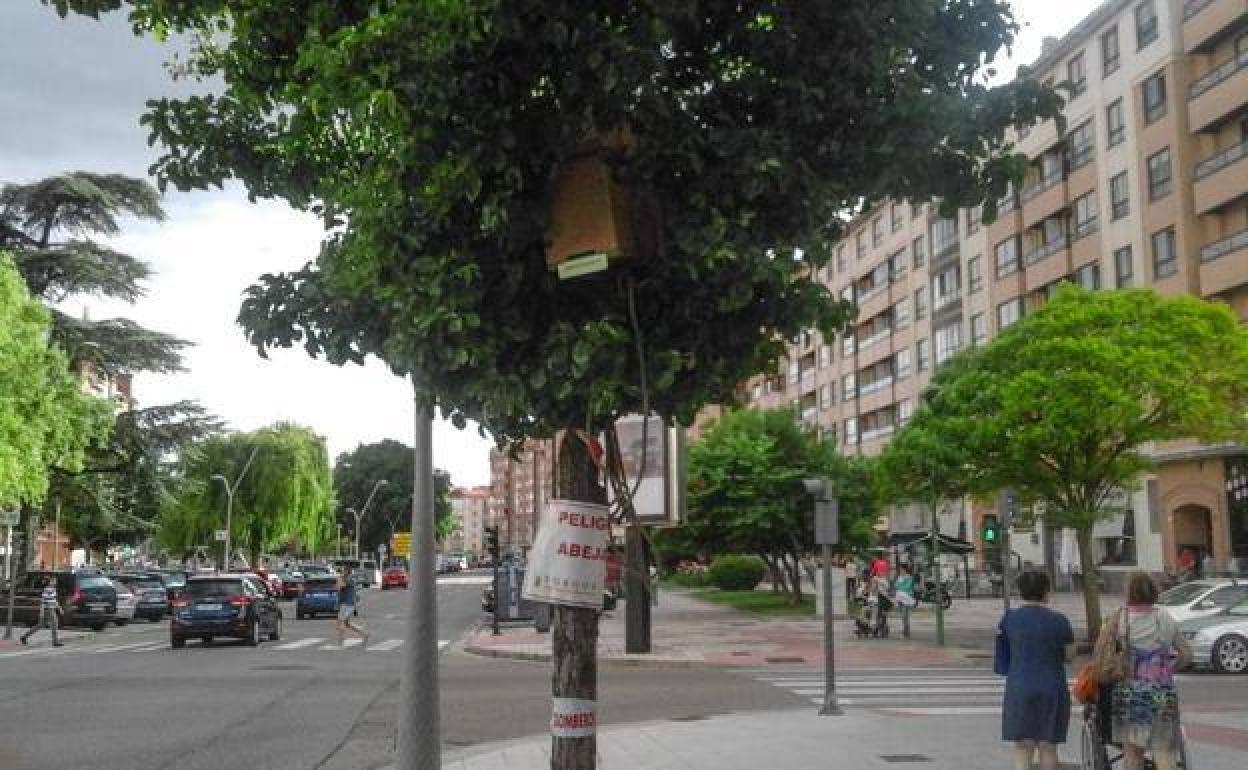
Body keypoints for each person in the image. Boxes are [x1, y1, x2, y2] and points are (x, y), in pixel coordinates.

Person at [1106, 571, 1191, 770]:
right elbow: (1186, 654)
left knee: (1133, 753)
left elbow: (1106, 657)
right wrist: (1168, 668)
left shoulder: (1119, 619)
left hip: (1128, 692)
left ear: (1128, 592)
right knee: (1164, 751)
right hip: (1161, 692)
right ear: (1153, 591)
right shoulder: (1164, 618)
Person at [997, 570, 1074, 770]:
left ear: (1021, 591)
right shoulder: (1059, 620)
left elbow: (1003, 657)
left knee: (1023, 746)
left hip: (1020, 685)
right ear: (1046, 590)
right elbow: (1069, 655)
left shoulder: (1010, 619)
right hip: (1052, 686)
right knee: (1048, 747)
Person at [21, 576, 64, 647]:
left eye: (55, 581)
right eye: (54, 581)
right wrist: (42, 612)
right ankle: (55, 641)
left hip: (52, 609)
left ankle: (24, 637)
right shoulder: (46, 589)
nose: (55, 582)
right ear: (50, 582)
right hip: (48, 610)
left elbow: (54, 600)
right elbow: (43, 602)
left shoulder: (53, 589)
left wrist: (59, 608)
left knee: (40, 625)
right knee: (55, 623)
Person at [335, 569, 368, 646]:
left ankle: (341, 639)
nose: (342, 572)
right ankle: (365, 634)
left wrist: (339, 579)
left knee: (340, 622)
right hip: (347, 605)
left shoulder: (348, 580)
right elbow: (339, 590)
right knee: (347, 624)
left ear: (347, 573)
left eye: (343, 571)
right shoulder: (347, 580)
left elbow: (338, 587)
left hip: (348, 605)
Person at [893, 564, 916, 639]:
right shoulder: (900, 577)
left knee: (904, 615)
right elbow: (896, 585)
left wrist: (900, 586)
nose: (900, 571)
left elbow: (907, 587)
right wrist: (900, 585)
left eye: (901, 569)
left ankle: (905, 632)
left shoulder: (909, 577)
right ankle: (906, 632)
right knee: (903, 616)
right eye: (900, 570)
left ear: (905, 569)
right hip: (899, 598)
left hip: (906, 598)